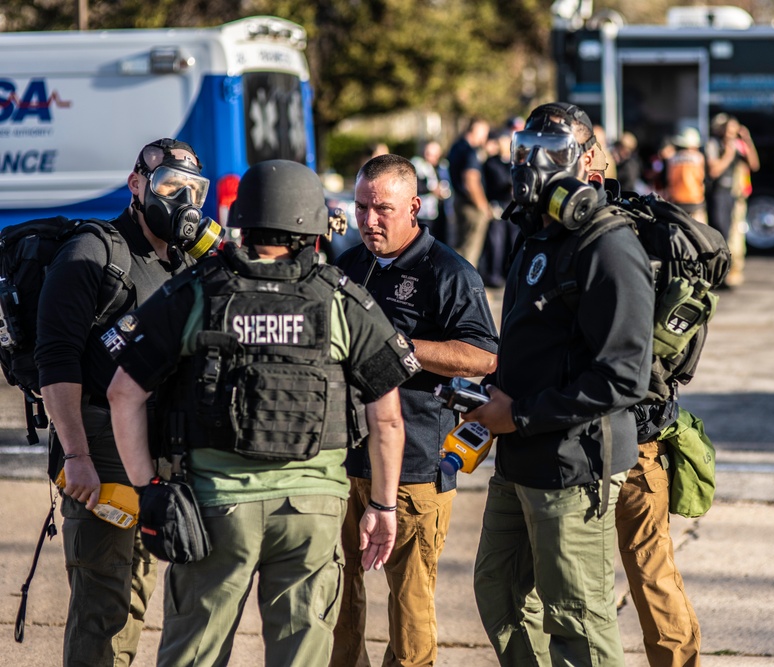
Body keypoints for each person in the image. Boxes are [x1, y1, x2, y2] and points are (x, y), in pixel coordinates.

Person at [104, 159, 415, 665]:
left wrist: (148, 490)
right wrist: (382, 506)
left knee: (193, 654)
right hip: (313, 513)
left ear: (241, 221)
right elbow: (388, 419)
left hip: (214, 510)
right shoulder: (341, 300)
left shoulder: (198, 291)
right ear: (313, 225)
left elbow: (124, 394)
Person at [466, 102, 654, 666]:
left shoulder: (608, 246)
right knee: (498, 595)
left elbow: (623, 377)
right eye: (527, 150)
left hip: (573, 466)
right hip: (518, 457)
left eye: (552, 152)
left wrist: (519, 415)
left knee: (577, 620)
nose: (533, 165)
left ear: (588, 158)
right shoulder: (535, 235)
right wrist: (489, 396)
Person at [36, 137, 208, 667]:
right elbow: (56, 359)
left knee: (134, 593)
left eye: (193, 190)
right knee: (101, 603)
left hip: (153, 451)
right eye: (168, 186)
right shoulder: (94, 251)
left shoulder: (182, 262)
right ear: (137, 185)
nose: (182, 200)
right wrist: (78, 457)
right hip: (100, 450)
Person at [332, 153, 499, 667]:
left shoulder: (447, 271)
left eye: (382, 208)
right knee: (336, 596)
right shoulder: (349, 263)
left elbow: (483, 355)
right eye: (361, 207)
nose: (369, 220)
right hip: (344, 457)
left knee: (409, 607)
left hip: (415, 464)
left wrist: (397, 343)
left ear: (414, 207)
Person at [587, 144, 704, 667]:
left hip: (622, 436)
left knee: (632, 573)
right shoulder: (644, 225)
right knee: (652, 568)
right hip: (648, 426)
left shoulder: (608, 238)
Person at [706, 113, 759, 287]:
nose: (732, 132)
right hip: (718, 193)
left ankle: (732, 272)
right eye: (729, 128)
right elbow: (714, 171)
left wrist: (747, 141)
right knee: (720, 232)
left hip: (735, 194)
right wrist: (728, 154)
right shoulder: (714, 145)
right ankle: (718, 273)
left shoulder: (738, 145)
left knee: (735, 235)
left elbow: (754, 165)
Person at [447, 117, 493, 265]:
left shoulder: (456, 147)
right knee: (470, 250)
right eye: (485, 133)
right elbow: (471, 181)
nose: (485, 137)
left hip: (459, 201)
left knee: (460, 245)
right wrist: (483, 206)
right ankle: (466, 286)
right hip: (471, 205)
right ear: (476, 130)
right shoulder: (470, 151)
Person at [479, 129, 516, 287]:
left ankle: (512, 274)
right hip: (497, 206)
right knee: (496, 242)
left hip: (513, 206)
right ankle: (494, 275)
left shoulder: (515, 163)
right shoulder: (491, 163)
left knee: (514, 241)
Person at [411, 140, 452, 245]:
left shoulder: (442, 166)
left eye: (435, 155)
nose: (431, 157)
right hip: (423, 214)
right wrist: (432, 190)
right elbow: (416, 186)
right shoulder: (417, 165)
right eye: (428, 153)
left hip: (440, 211)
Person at [666, 127, 708, 224]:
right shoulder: (698, 157)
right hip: (695, 201)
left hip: (676, 201)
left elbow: (669, 179)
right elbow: (701, 178)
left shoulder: (672, 158)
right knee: (700, 233)